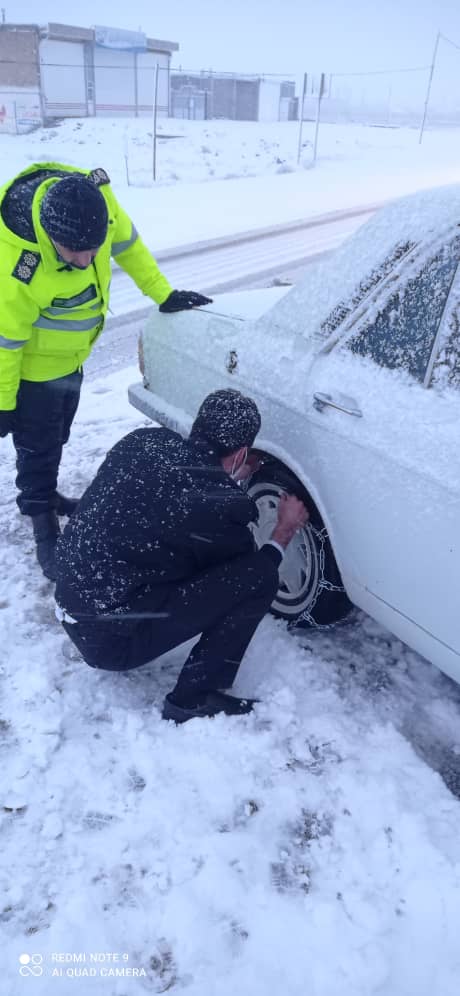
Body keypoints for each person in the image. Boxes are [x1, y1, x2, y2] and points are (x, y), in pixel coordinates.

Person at [0, 162, 212, 580]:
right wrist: (4, 402)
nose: (86, 261)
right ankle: (41, 515)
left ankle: (47, 491)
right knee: (37, 443)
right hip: (33, 374)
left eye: (93, 250)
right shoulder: (17, 266)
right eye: (74, 252)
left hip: (75, 359)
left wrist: (162, 293)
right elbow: (4, 344)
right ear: (49, 237)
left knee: (57, 435)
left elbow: (129, 245)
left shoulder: (99, 203)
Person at [54, 389, 308, 723]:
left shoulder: (142, 441)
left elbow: (168, 494)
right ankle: (192, 700)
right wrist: (283, 532)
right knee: (258, 577)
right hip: (111, 644)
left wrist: (220, 477)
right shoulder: (224, 508)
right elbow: (245, 573)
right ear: (241, 454)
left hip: (71, 602)